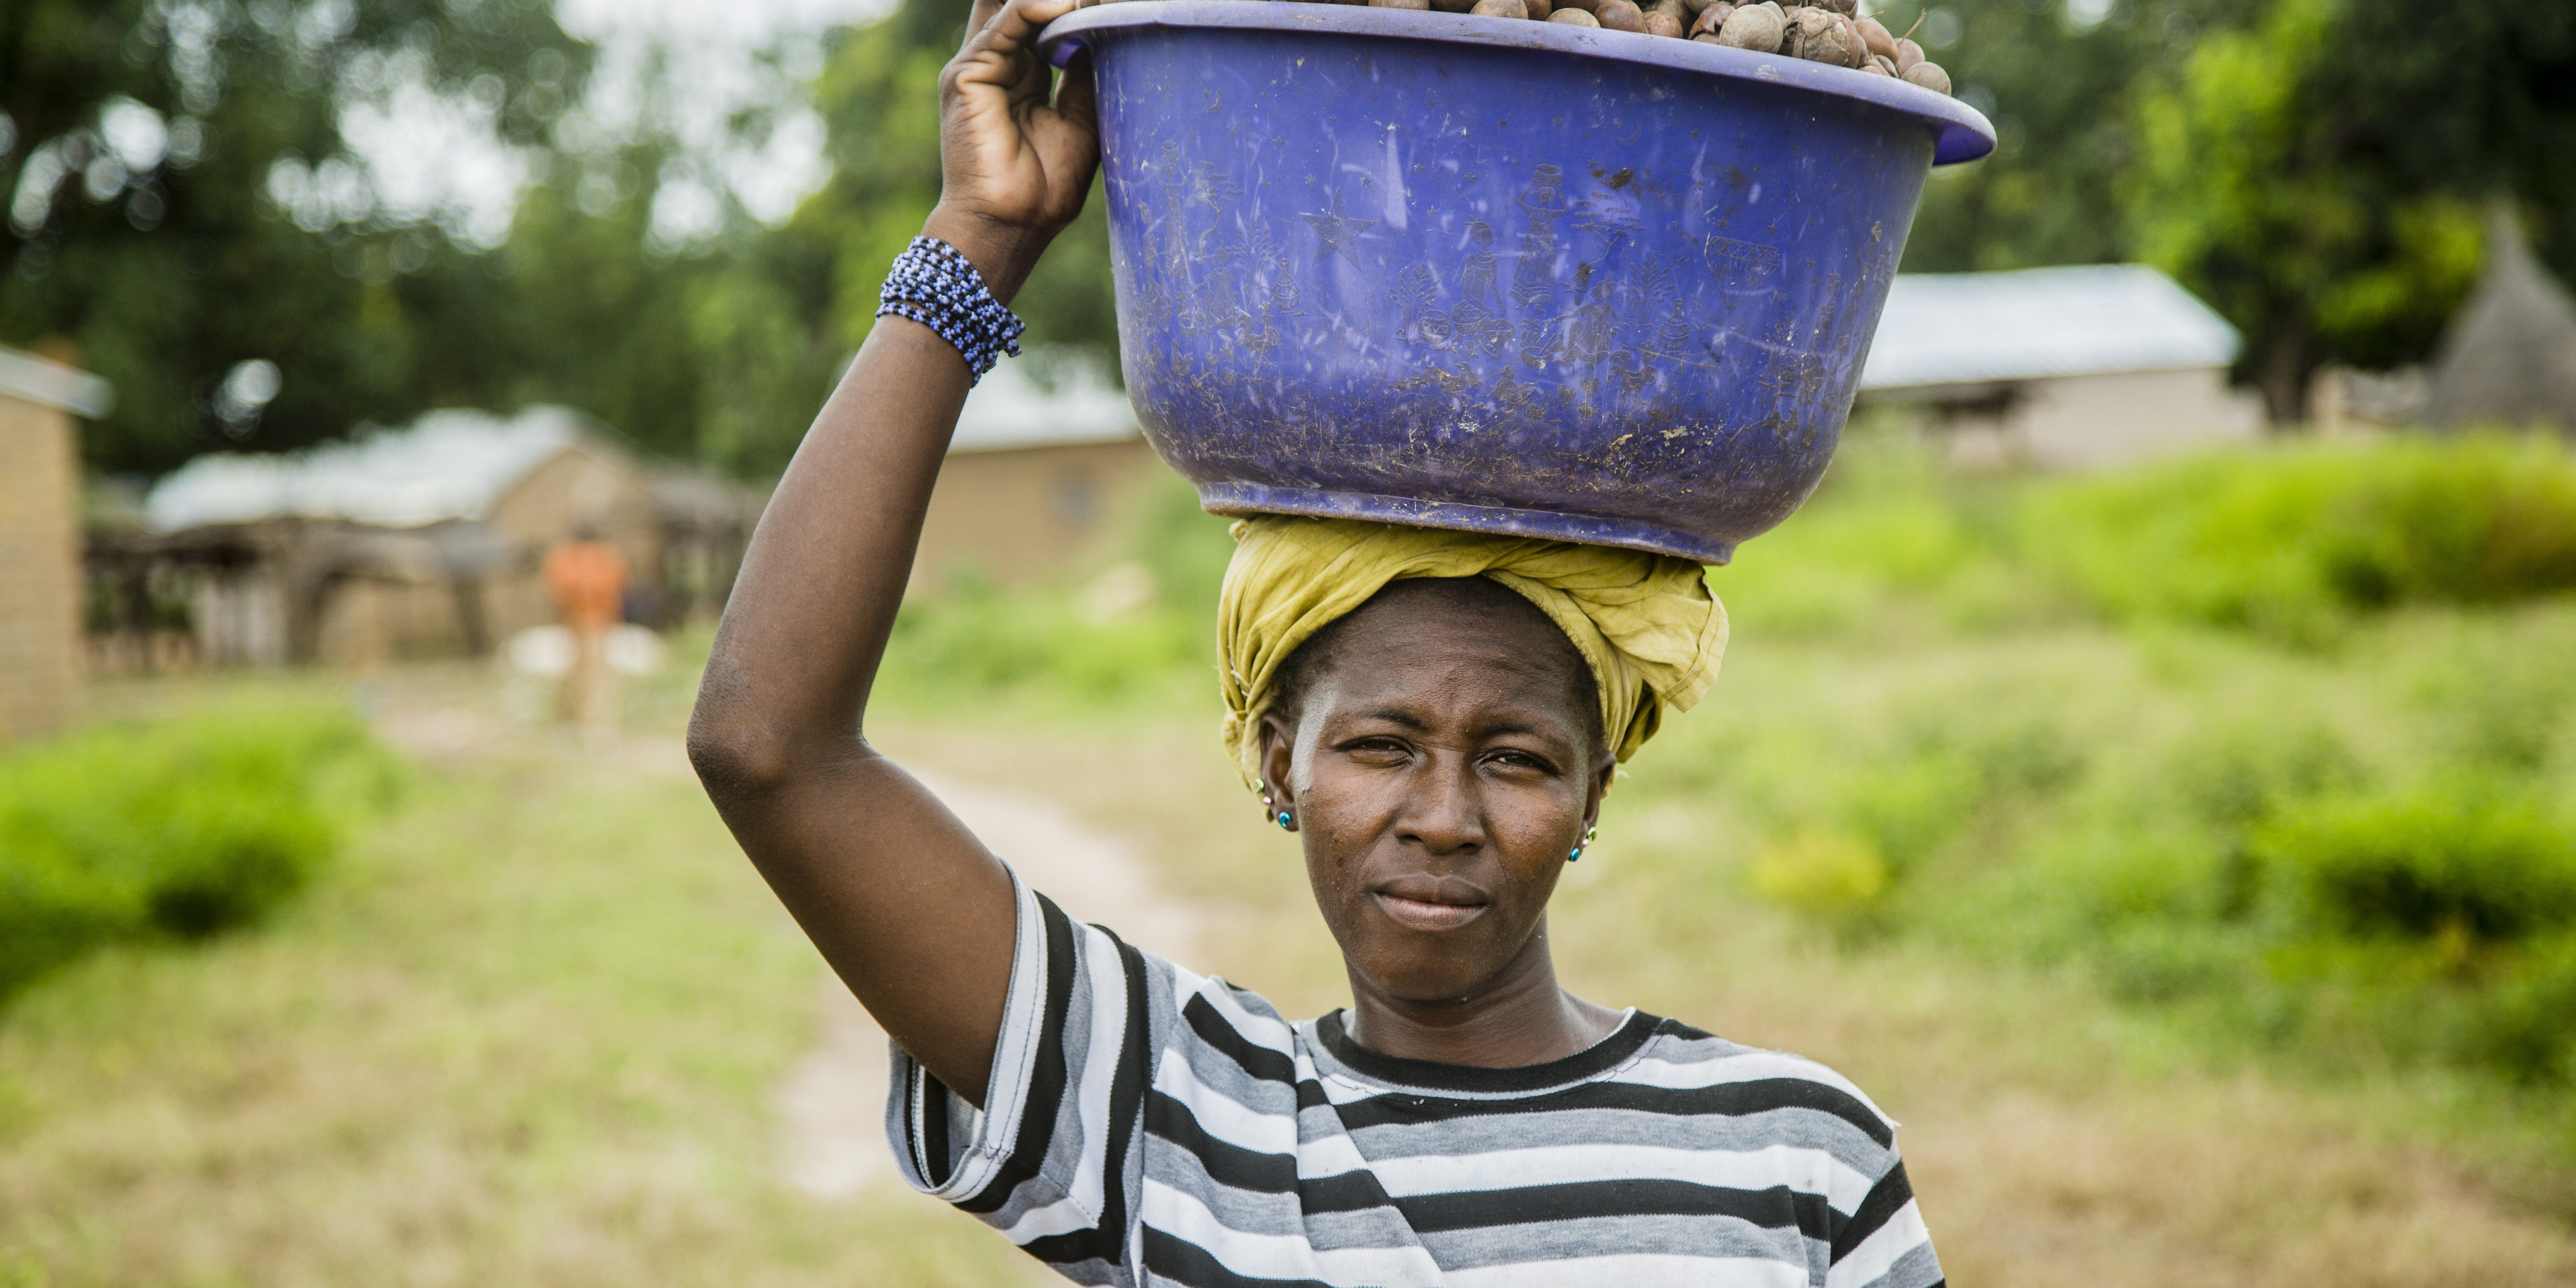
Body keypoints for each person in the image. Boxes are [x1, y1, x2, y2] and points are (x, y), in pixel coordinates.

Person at [685, 0, 1943, 1283]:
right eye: (1382, 745)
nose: (1443, 815)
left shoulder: (1795, 1157)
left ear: (1595, 787)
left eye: (1515, 758)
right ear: (1278, 759)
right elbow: (766, 748)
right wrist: (984, 234)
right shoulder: (1171, 1118)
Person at [542, 525, 627, 733]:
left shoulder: (574, 557)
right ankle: (587, 720)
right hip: (583, 620)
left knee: (589, 671)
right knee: (589, 672)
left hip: (594, 620)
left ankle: (586, 718)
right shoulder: (596, 557)